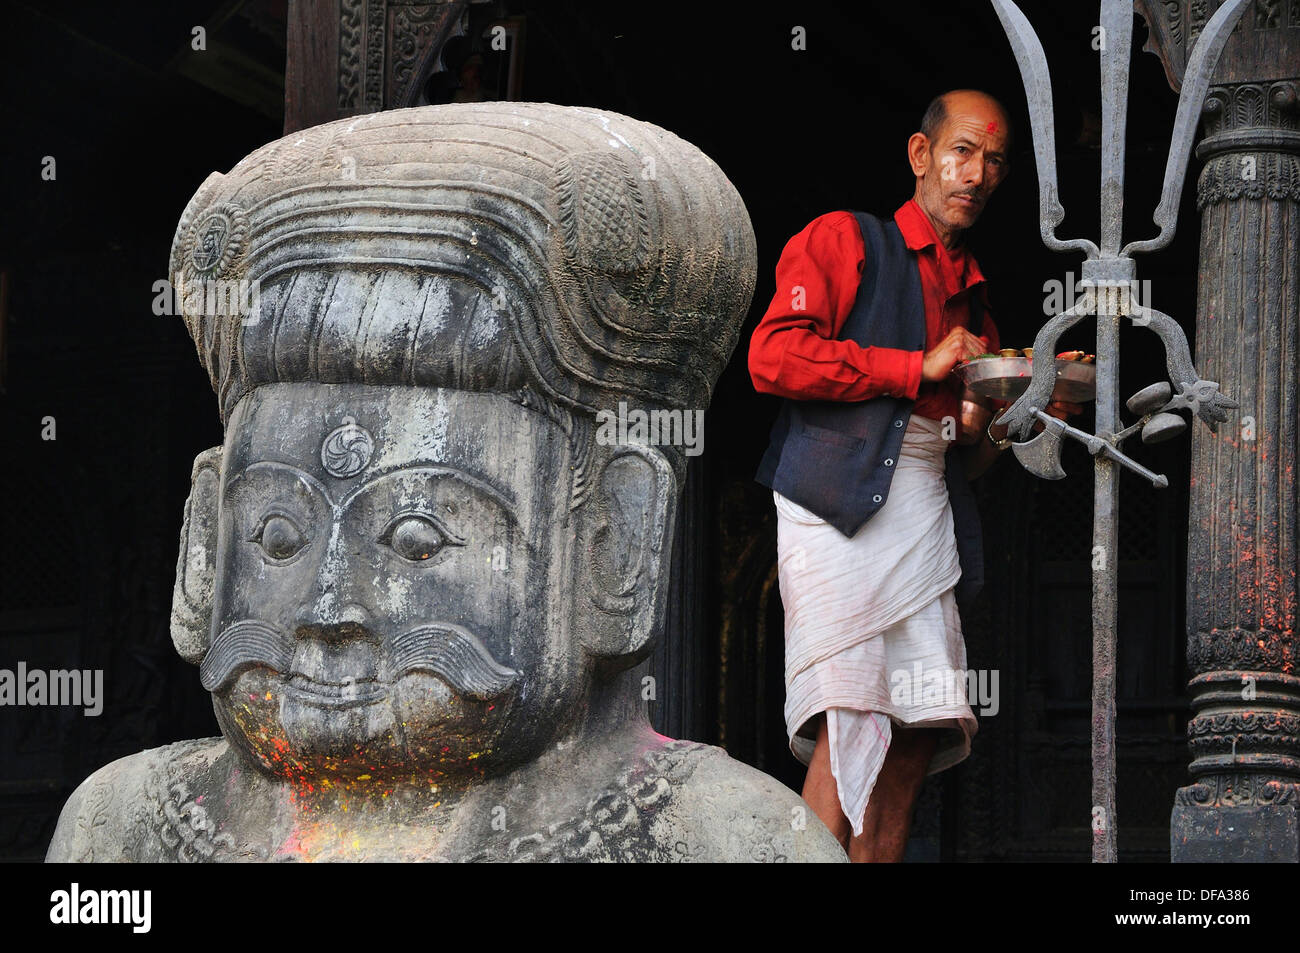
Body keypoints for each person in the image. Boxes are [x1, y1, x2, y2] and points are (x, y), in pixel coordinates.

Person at [749, 89, 1079, 862]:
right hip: (835, 513)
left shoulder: (977, 300)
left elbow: (971, 451)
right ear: (920, 155)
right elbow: (772, 355)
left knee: (914, 738)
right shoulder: (845, 239)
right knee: (851, 719)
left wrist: (1018, 408)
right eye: (963, 151)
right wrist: (914, 365)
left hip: (925, 511)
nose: (978, 173)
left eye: (995, 161)